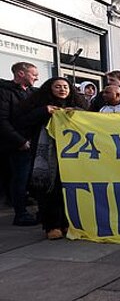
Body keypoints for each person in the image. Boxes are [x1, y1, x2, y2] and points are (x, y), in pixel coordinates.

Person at [14, 77, 86, 239]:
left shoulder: (79, 107)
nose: (62, 89)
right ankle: (52, 225)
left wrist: (76, 113)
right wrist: (42, 112)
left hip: (72, 155)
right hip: (46, 155)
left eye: (65, 87)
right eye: (58, 87)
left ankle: (68, 223)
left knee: (68, 189)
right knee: (49, 189)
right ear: (49, 89)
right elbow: (21, 123)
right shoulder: (37, 107)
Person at [0, 62, 40, 225]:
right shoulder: (4, 93)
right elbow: (2, 121)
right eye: (34, 74)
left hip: (32, 143)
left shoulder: (32, 93)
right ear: (21, 74)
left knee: (31, 179)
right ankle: (20, 214)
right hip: (18, 145)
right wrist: (20, 141)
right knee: (20, 179)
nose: (37, 78)